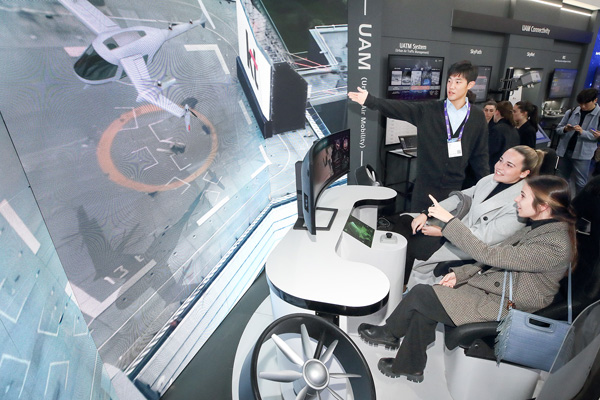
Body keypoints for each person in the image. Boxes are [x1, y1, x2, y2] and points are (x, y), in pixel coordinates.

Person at [358, 175, 575, 383]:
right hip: (496, 292)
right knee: (426, 301)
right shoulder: (536, 229)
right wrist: (460, 274)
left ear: (543, 206)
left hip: (508, 306)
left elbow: (489, 255)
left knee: (421, 294)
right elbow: (495, 257)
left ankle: (391, 333)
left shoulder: (555, 244)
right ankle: (410, 365)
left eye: (523, 196)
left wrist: (449, 222)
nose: (516, 199)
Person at [348, 60, 489, 212]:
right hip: (424, 190)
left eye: (458, 82)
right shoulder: (429, 110)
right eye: (449, 81)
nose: (451, 86)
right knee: (417, 225)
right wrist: (370, 101)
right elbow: (400, 108)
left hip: (454, 192)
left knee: (447, 227)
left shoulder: (477, 116)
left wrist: (487, 189)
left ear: (470, 85)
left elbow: (480, 156)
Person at [395, 145, 544, 288]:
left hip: (469, 245)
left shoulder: (520, 204)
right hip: (455, 226)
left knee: (416, 246)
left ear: (524, 173)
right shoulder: (490, 179)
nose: (499, 167)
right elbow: (460, 198)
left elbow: (482, 239)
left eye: (509, 165)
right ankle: (395, 279)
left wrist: (443, 232)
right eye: (500, 160)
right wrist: (426, 213)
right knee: (405, 221)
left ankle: (403, 287)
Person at [555, 88, 600, 194]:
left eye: (586, 104)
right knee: (561, 180)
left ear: (595, 100)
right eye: (580, 104)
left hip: (583, 155)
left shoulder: (598, 115)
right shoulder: (571, 112)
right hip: (565, 151)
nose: (583, 106)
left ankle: (579, 203)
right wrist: (565, 129)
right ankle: (560, 201)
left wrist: (582, 132)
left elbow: (596, 136)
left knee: (580, 183)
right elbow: (558, 129)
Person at [488, 101, 519, 170]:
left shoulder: (497, 129)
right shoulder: (514, 130)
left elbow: (490, 150)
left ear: (497, 112)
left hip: (495, 166)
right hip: (508, 166)